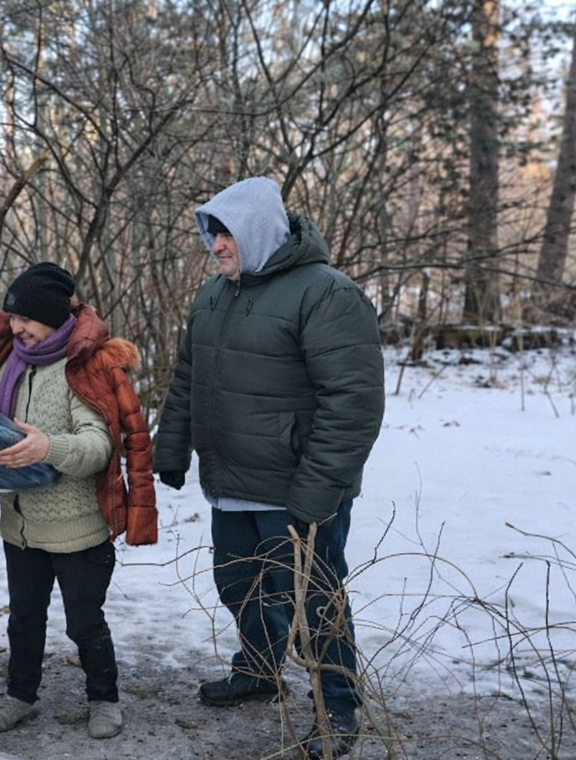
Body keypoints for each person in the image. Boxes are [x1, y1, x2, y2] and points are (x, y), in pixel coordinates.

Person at [153, 177, 384, 759]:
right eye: (211, 233)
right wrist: (172, 446)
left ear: (257, 230)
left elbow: (353, 402)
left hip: (294, 489)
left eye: (225, 232)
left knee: (315, 603)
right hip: (232, 483)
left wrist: (317, 489)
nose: (215, 245)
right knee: (240, 586)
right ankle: (258, 671)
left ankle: (337, 708)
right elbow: (188, 380)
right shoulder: (212, 296)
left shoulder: (326, 293)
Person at [0, 262, 158, 740]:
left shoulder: (82, 366)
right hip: (21, 524)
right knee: (24, 620)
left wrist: (47, 447)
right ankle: (21, 696)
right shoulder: (8, 359)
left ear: (52, 317)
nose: (16, 328)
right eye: (11, 319)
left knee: (84, 623)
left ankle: (104, 700)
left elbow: (100, 446)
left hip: (78, 528)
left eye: (26, 319)